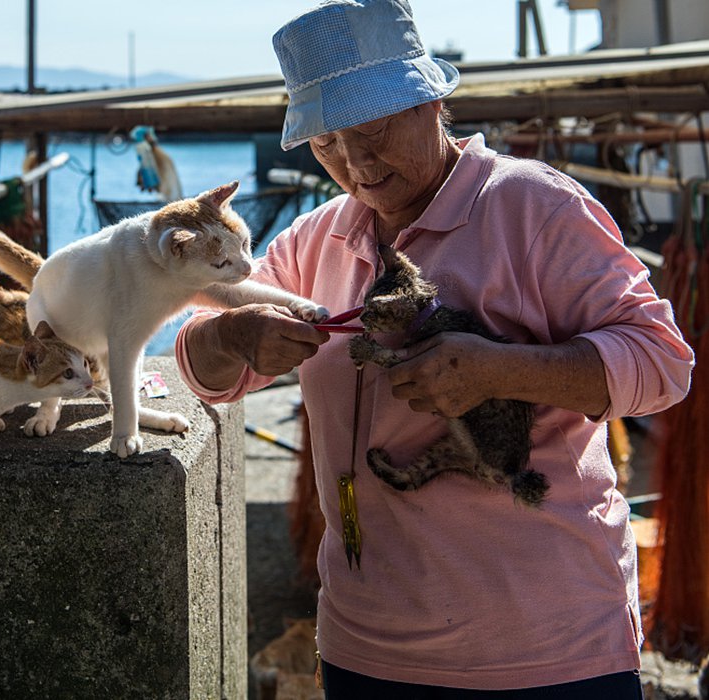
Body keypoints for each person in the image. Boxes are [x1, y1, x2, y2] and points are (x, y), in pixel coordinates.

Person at [175, 1, 695, 698]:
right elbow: (203, 374)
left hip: (550, 651)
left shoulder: (537, 207)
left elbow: (663, 363)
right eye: (327, 143)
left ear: (433, 99)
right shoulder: (314, 240)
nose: (356, 164)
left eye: (375, 129)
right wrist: (229, 333)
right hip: (364, 645)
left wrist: (496, 370)